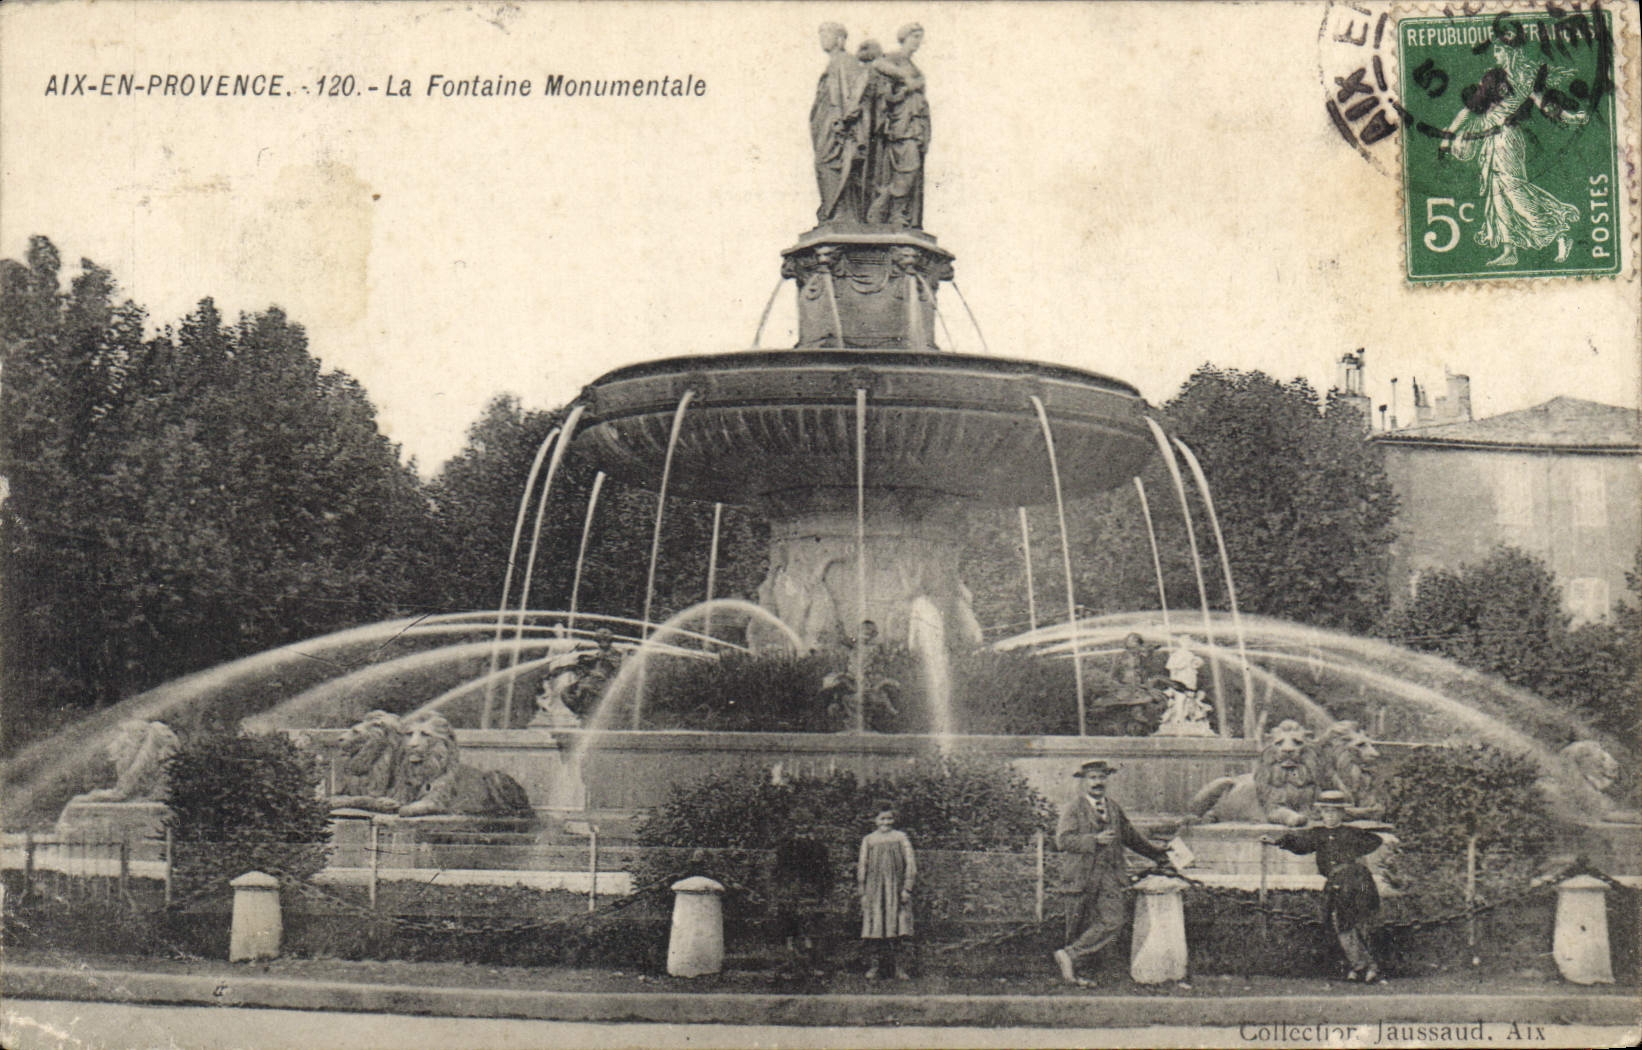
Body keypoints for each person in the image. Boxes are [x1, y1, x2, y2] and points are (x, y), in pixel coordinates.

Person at [1442, 38, 1587, 266]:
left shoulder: (1526, 78)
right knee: (1497, 195)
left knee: (1515, 193)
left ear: (1511, 52)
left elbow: (1544, 105)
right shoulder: (1491, 77)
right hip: (1490, 139)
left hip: (1508, 138)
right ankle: (1509, 251)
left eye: (1499, 50)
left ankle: (1559, 233)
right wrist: (1449, 134)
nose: (1495, 54)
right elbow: (1470, 110)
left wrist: (1570, 117)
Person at [1052, 759, 1170, 984]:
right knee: (1079, 924)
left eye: (1102, 777)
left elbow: (1131, 837)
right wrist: (1093, 840)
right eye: (1093, 778)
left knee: (1113, 920)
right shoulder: (1073, 808)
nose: (1098, 782)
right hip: (1081, 876)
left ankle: (1069, 955)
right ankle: (1075, 974)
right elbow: (1063, 840)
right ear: (1083, 782)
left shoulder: (1113, 808)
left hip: (1109, 876)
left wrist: (1158, 854)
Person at [1261, 790, 1389, 982]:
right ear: (1321, 813)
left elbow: (1375, 841)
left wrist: (1355, 855)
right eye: (1326, 812)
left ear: (1342, 814)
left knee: (1360, 921)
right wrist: (1275, 841)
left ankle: (1368, 966)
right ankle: (1359, 965)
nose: (1330, 816)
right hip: (1336, 883)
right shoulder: (1318, 834)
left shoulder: (1351, 833)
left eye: (1335, 812)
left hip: (1357, 881)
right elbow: (1299, 843)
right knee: (1339, 922)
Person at [865, 23, 931, 228]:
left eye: (920, 37)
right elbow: (877, 65)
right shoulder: (896, 58)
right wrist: (904, 78)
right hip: (902, 126)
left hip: (915, 124)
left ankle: (897, 214)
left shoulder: (914, 66)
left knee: (910, 170)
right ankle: (883, 207)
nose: (918, 42)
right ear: (904, 37)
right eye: (915, 37)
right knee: (908, 168)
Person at [810, 22, 871, 223]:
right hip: (825, 125)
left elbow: (857, 92)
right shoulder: (833, 63)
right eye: (821, 35)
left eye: (827, 34)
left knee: (830, 163)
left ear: (840, 39)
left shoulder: (846, 61)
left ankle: (840, 212)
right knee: (823, 164)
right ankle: (833, 210)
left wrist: (845, 119)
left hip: (837, 128)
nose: (823, 39)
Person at [769, 806, 834, 976]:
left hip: (810, 891)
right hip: (790, 891)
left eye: (805, 824)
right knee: (789, 929)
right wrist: (780, 890)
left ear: (811, 826)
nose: (802, 828)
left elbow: (825, 871)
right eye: (798, 825)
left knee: (810, 928)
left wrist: (823, 891)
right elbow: (778, 871)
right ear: (793, 826)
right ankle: (791, 965)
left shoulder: (819, 847)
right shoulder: (785, 846)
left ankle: (811, 965)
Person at [857, 801, 916, 979]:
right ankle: (874, 967)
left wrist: (907, 888)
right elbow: (862, 865)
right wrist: (863, 892)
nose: (886, 823)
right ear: (875, 820)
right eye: (882, 819)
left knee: (897, 928)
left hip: (895, 890)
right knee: (875, 927)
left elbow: (910, 864)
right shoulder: (869, 840)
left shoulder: (901, 837)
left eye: (889, 819)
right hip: (874, 890)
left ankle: (899, 968)